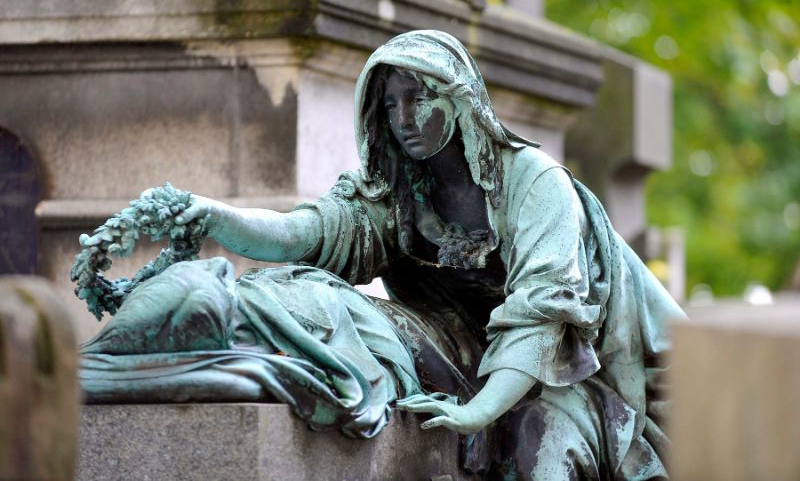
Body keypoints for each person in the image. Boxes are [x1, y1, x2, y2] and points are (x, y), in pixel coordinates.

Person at [82, 30, 686, 479]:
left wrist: (479, 413)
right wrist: (217, 218)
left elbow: (542, 315)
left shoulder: (533, 183)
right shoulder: (399, 191)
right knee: (322, 311)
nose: (402, 119)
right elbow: (309, 235)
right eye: (390, 105)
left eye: (416, 98)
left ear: (457, 99)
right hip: (464, 353)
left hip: (566, 376)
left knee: (542, 452)